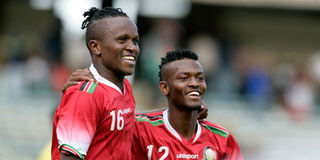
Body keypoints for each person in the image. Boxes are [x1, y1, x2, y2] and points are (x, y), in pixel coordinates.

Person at [66, 48, 242, 159]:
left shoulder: (222, 140)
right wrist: (73, 93)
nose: (195, 83)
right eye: (184, 78)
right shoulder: (140, 129)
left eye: (200, 78)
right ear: (165, 88)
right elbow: (96, 135)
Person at [51, 7, 140, 160]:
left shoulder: (126, 88)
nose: (132, 47)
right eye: (122, 40)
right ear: (96, 46)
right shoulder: (85, 95)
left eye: (135, 41)